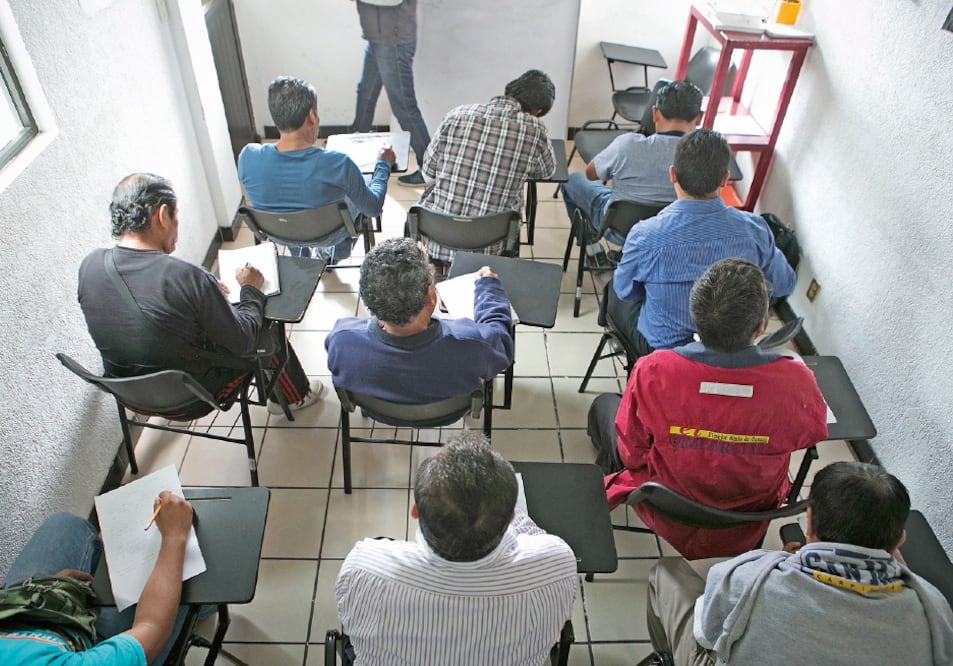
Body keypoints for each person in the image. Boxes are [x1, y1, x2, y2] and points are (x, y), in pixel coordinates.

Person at [591, 258, 827, 560]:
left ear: (694, 317)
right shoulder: (796, 381)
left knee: (604, 406)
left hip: (669, 505)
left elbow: (632, 454)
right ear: (761, 326)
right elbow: (811, 433)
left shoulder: (654, 369)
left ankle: (594, 494)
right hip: (747, 515)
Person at [643, 462, 953, 666]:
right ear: (899, 539)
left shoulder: (753, 576)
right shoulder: (932, 611)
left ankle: (667, 658)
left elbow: (708, 633)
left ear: (809, 520)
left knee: (667, 572)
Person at [78, 173, 323, 414]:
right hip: (192, 397)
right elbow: (245, 340)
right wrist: (250, 289)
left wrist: (204, 293)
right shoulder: (188, 276)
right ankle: (295, 397)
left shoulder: (90, 265)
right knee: (265, 328)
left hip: (129, 395)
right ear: (162, 215)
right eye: (176, 215)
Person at [335, 432, 577, 665]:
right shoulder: (557, 566)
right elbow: (536, 540)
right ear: (512, 517)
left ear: (415, 511)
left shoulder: (363, 570)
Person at [609, 129, 796, 359]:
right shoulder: (755, 230)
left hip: (665, 354)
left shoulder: (645, 236)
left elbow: (625, 291)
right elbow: (784, 283)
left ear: (672, 174)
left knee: (614, 291)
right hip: (730, 352)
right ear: (725, 179)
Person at [0, 492, 195, 665]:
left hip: (26, 625)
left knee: (64, 527)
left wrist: (51, 590)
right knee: (184, 563)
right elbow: (152, 628)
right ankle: (202, 610)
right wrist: (174, 536)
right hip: (79, 647)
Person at [325, 237, 513, 402]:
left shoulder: (341, 340)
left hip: (383, 413)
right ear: (430, 296)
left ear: (370, 302)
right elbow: (502, 342)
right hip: (445, 414)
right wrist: (489, 289)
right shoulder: (471, 343)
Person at [238, 76, 396, 262]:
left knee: (285, 201)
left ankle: (300, 257)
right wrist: (383, 164)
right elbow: (373, 208)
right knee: (365, 183)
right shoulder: (339, 164)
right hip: (329, 236)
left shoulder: (248, 157)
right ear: (312, 116)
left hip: (278, 234)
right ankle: (332, 254)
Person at [417, 70, 557, 264]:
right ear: (537, 111)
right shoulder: (535, 129)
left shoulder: (457, 114)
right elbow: (547, 172)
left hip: (436, 237)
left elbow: (427, 175)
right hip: (492, 245)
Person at [561, 80, 703, 249]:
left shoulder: (628, 144)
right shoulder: (706, 155)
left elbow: (591, 173)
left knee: (572, 180)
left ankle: (591, 247)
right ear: (699, 117)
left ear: (655, 113)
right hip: (672, 234)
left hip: (618, 229)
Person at [351, 0, 431, 186]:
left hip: (394, 43)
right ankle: (353, 149)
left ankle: (430, 170)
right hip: (377, 39)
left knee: (404, 107)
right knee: (365, 93)